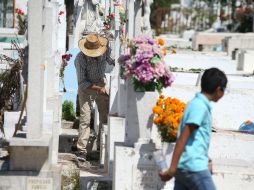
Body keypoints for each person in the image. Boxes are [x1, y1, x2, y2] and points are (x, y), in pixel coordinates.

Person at [159, 68, 228, 190]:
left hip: (186, 167)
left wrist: (207, 159)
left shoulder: (196, 104)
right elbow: (183, 138)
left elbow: (195, 140)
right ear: (219, 89)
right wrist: (172, 169)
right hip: (194, 168)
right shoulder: (199, 107)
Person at [74, 33, 114, 161]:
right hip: (86, 88)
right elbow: (82, 83)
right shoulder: (80, 59)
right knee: (85, 118)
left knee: (105, 116)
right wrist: (99, 89)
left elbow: (112, 60)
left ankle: (100, 148)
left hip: (100, 82)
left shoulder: (104, 51)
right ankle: (82, 150)